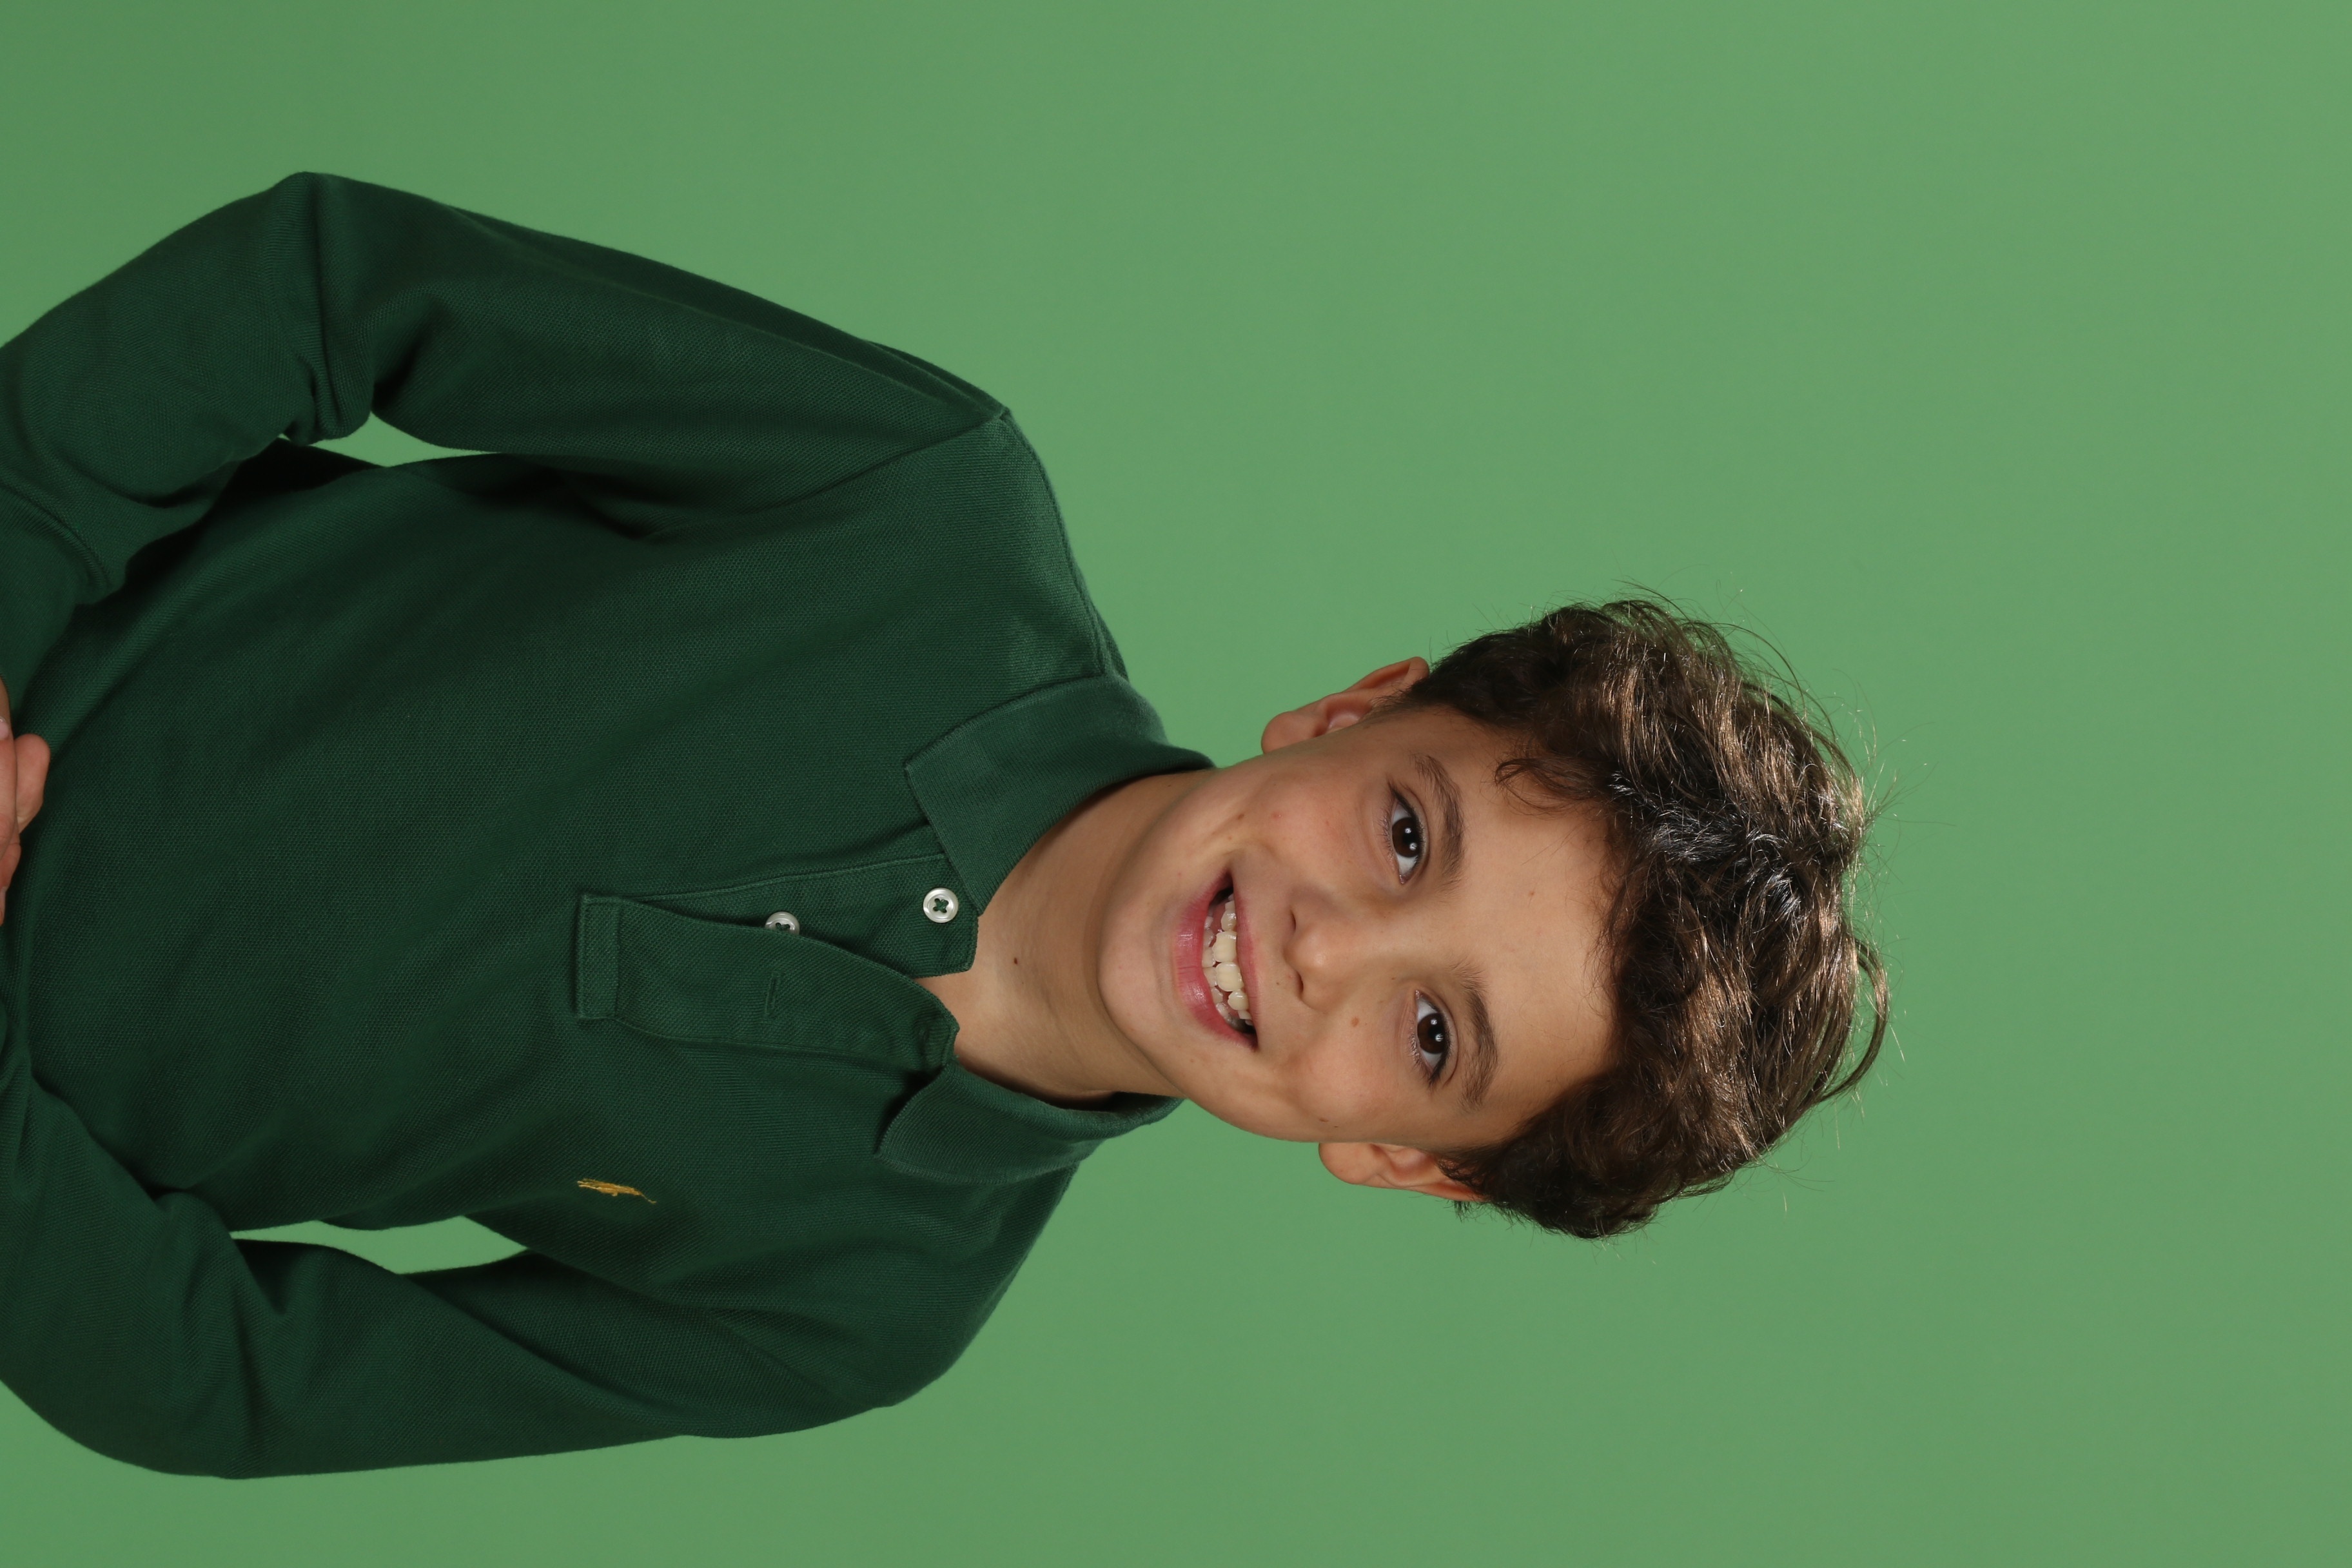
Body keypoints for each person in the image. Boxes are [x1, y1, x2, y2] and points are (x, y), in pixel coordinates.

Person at [0, 173, 1884, 1478]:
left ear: (1407, 1160)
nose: (1331, 946)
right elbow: (335, 286)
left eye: (1436, 1034)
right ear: (1355, 711)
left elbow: (234, 1384)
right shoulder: (919, 512)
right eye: (1407, 838)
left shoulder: (859, 1312)